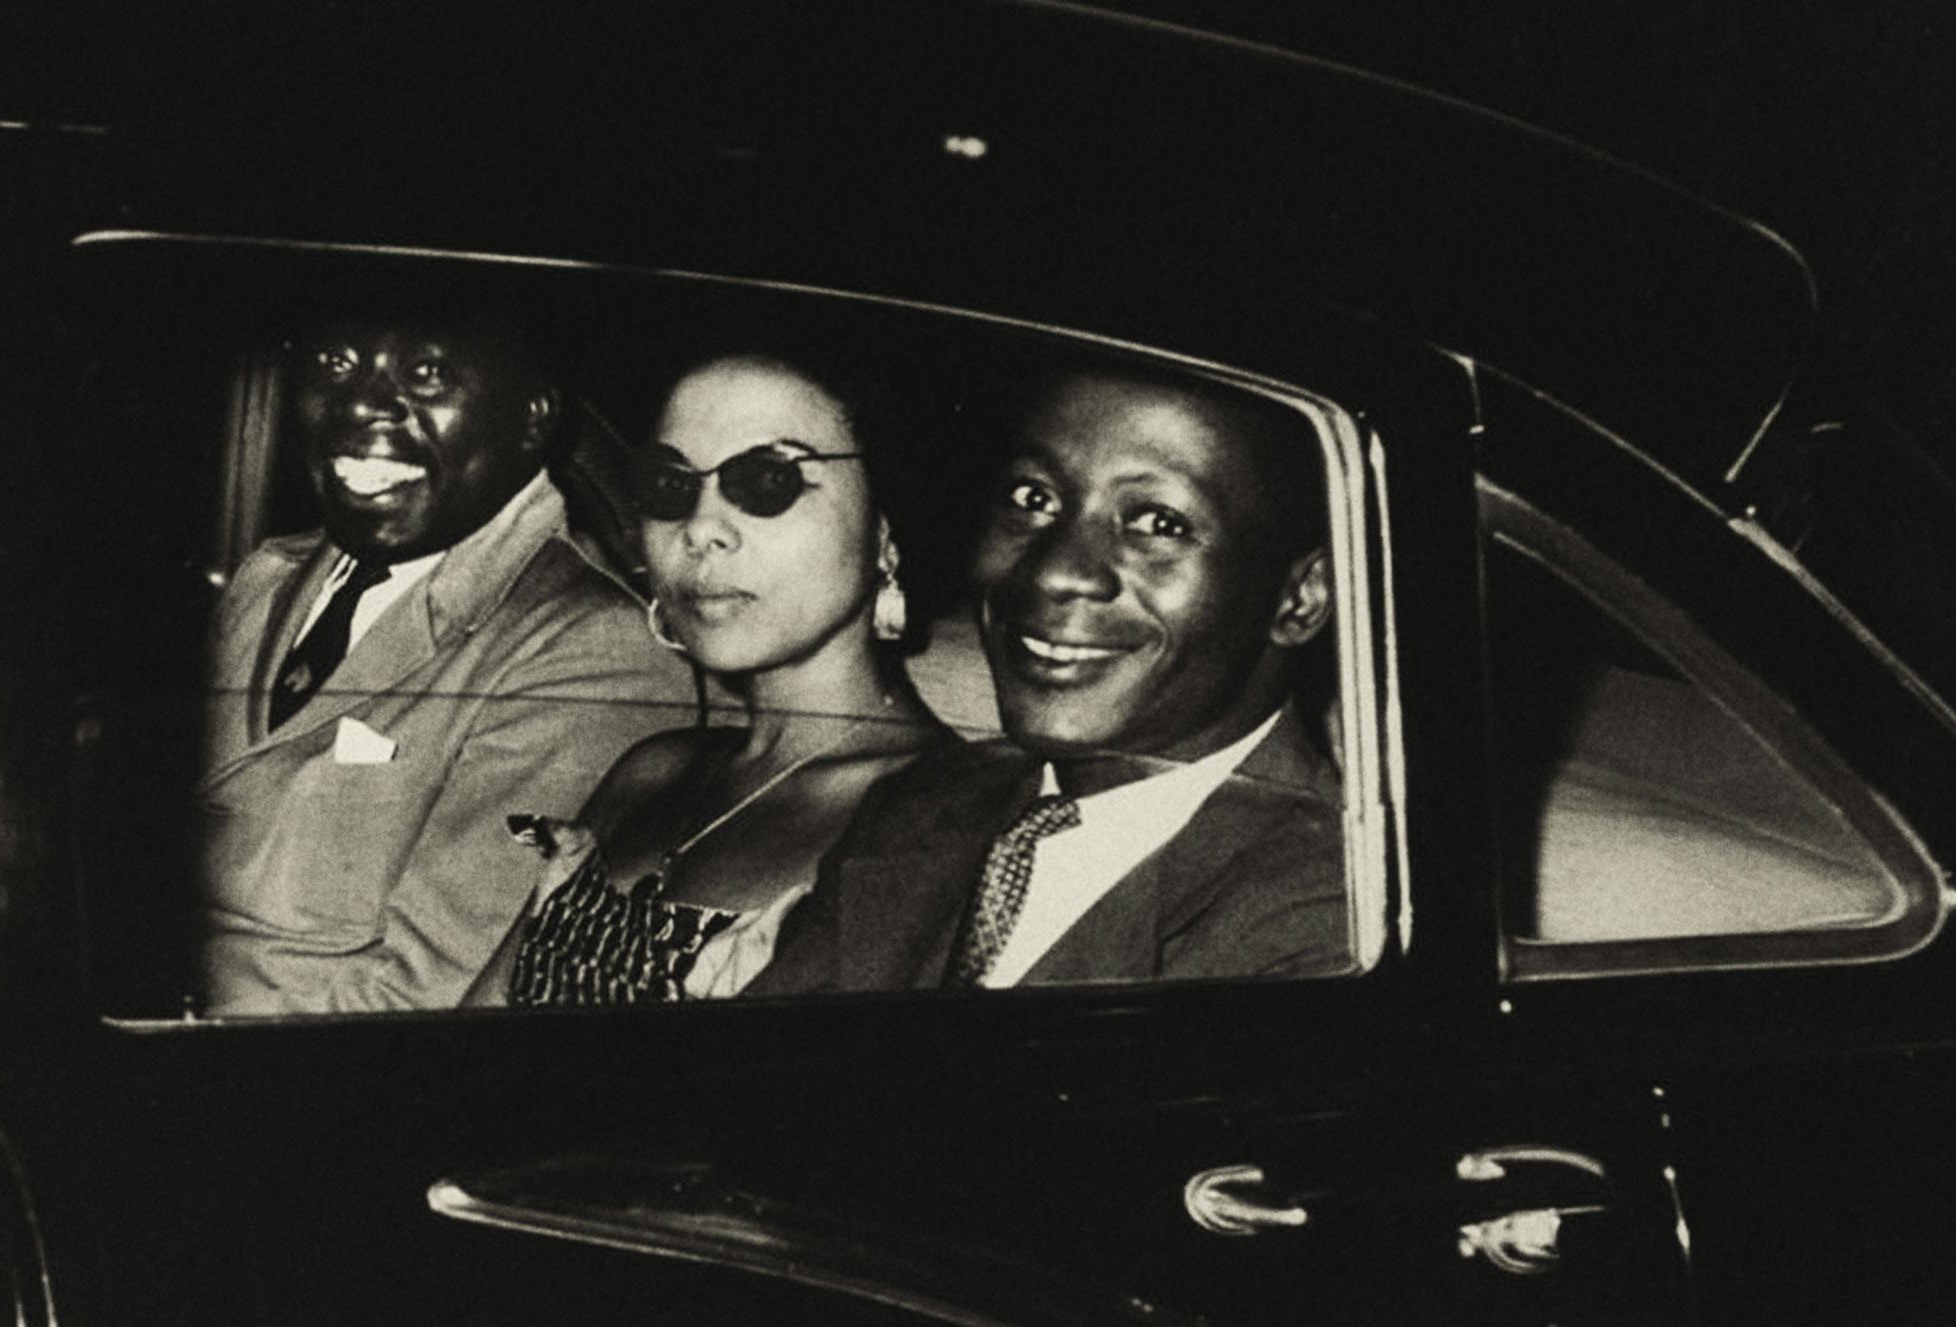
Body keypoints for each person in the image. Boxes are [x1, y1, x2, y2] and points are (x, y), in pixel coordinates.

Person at [747, 365, 1350, 993]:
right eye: (1033, 499)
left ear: (1300, 599)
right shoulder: (925, 801)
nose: (1054, 573)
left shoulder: (1335, 919)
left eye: (1158, 523)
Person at [197, 305, 696, 1014]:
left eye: (426, 373)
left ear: (531, 418)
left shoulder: (592, 648)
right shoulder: (268, 576)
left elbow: (428, 999)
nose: (359, 404)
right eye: (336, 366)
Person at [466, 353, 948, 1006]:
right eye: (670, 486)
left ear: (884, 534)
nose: (700, 529)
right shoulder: (652, 772)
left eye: (768, 481)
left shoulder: (937, 816)